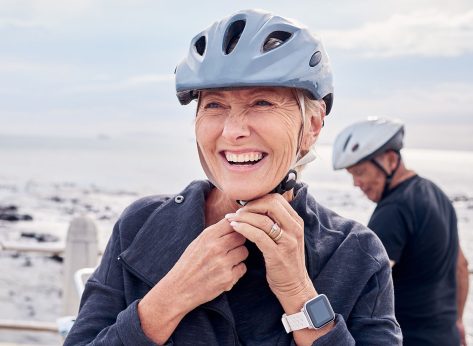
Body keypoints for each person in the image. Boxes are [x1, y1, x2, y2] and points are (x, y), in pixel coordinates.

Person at [65, 10, 402, 345]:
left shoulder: (355, 254)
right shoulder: (141, 226)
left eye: (262, 102)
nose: (233, 130)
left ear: (311, 126)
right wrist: (170, 297)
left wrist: (297, 292)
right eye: (214, 105)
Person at [332, 117, 469, 346]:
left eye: (360, 171)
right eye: (352, 174)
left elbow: (360, 283)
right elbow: (461, 267)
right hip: (447, 337)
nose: (356, 183)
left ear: (391, 160)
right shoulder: (436, 193)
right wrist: (457, 322)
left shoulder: (393, 211)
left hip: (409, 338)